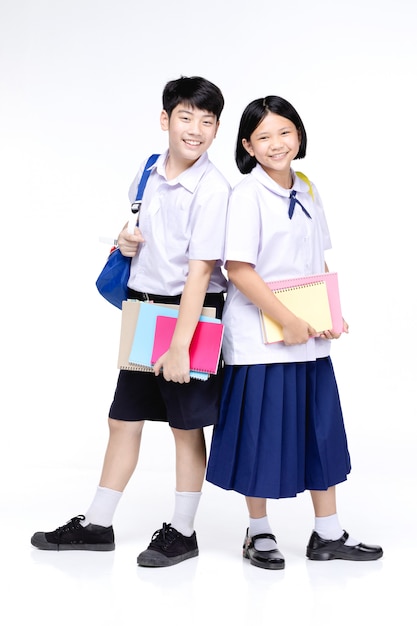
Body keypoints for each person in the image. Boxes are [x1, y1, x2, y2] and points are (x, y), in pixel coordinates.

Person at [31, 76, 230, 567]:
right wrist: (125, 241)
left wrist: (180, 345)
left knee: (185, 427)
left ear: (217, 129)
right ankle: (98, 524)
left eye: (207, 121)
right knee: (123, 419)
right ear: (165, 120)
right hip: (145, 309)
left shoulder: (213, 188)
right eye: (186, 117)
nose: (196, 130)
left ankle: (183, 532)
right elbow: (138, 226)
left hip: (193, 314)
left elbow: (201, 273)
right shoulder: (147, 170)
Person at [205, 95, 383, 570]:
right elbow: (239, 269)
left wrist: (331, 311)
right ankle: (258, 532)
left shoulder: (306, 186)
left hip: (309, 336)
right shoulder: (245, 195)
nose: (276, 143)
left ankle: (328, 534)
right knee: (262, 436)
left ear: (299, 135)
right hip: (261, 339)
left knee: (320, 433)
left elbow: (318, 261)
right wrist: (285, 318)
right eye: (263, 136)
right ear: (247, 145)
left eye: (284, 132)